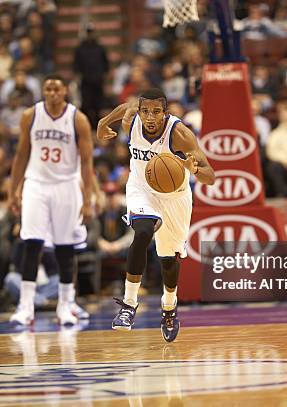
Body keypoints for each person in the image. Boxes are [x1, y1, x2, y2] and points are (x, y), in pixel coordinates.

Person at [97, 88, 215, 342]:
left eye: (156, 112)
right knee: (141, 233)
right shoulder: (133, 117)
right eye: (145, 111)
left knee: (169, 260)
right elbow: (122, 109)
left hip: (175, 197)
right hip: (141, 189)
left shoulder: (180, 134)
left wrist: (194, 169)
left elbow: (211, 176)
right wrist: (103, 123)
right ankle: (129, 304)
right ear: (139, 111)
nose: (150, 117)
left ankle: (169, 307)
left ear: (165, 112)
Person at [9, 74, 94, 326]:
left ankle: (66, 305)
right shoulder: (30, 115)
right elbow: (21, 154)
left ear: (65, 91)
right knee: (32, 243)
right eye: (48, 89)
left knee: (65, 247)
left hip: (66, 184)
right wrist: (15, 189)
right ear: (43, 91)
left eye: (57, 89)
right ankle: (25, 306)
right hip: (36, 183)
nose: (53, 93)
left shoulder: (78, 119)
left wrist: (87, 199)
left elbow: (87, 162)